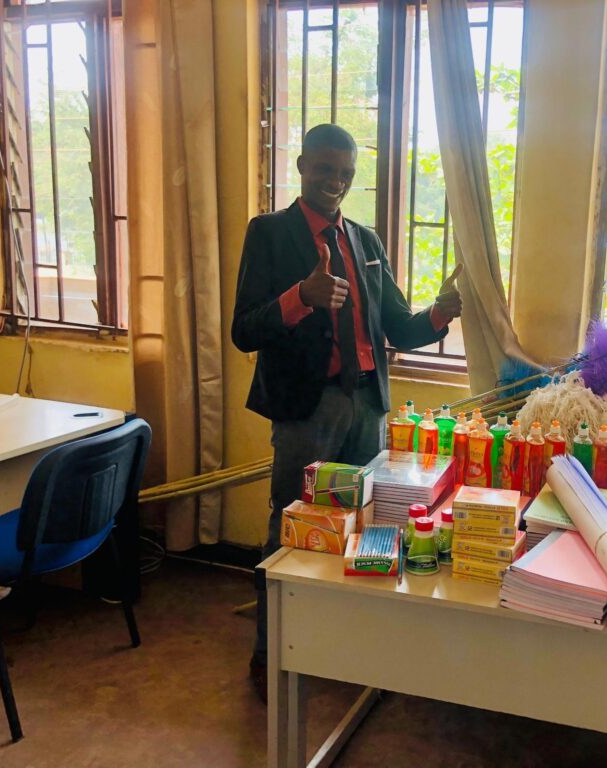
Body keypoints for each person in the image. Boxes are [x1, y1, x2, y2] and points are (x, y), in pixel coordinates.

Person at [231, 124, 462, 700]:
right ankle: (272, 651)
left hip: (367, 406)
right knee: (291, 530)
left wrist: (443, 311)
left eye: (345, 172)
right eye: (325, 169)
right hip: (309, 409)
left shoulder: (365, 240)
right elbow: (243, 330)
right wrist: (298, 299)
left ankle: (343, 645)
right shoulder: (270, 233)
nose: (334, 180)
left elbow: (401, 327)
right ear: (303, 164)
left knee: (367, 528)